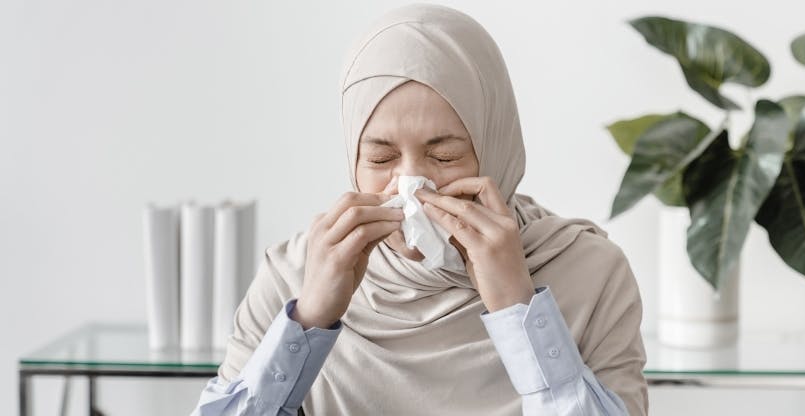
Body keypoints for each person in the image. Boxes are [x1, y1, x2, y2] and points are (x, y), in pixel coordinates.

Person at [191, 4, 648, 415]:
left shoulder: (592, 275)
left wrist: (518, 307)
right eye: (381, 159)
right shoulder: (292, 278)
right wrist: (308, 322)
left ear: (496, 150)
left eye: (445, 157)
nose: (410, 186)